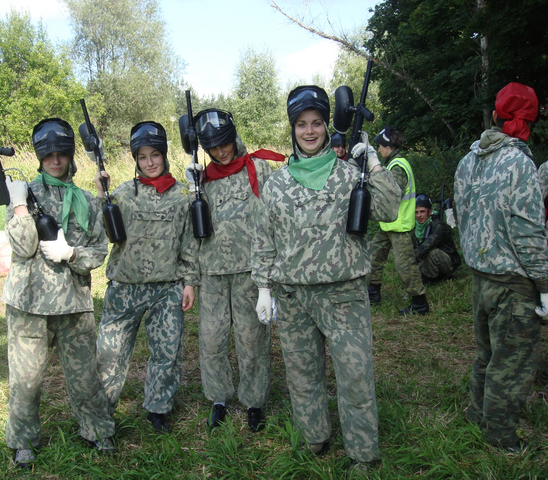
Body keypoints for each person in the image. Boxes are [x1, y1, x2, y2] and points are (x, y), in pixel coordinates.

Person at [251, 85, 400, 473]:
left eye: (317, 122)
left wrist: (373, 164)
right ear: (293, 129)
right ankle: (314, 436)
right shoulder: (277, 184)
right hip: (294, 298)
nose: (310, 131)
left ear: (326, 126)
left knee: (355, 377)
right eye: (301, 124)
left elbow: (389, 210)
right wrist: (264, 287)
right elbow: (264, 238)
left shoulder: (351, 176)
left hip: (344, 295)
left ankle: (363, 454)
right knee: (303, 375)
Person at [2, 118, 115, 469]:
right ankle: (23, 441)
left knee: (85, 378)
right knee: (26, 381)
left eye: (61, 154)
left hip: (73, 304)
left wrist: (73, 255)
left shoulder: (85, 201)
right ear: (39, 157)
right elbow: (23, 247)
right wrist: (20, 205)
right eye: (48, 155)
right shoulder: (24, 194)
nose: (55, 160)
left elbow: (99, 249)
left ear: (70, 156)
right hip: (30, 304)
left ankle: (97, 430)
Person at [454, 82, 548, 452]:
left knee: (487, 355)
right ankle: (501, 437)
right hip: (513, 282)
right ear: (530, 123)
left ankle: (477, 414)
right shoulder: (520, 165)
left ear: (495, 115)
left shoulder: (468, 161)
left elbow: (462, 216)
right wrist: (544, 284)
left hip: (481, 276)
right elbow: (529, 232)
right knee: (511, 364)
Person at [95, 122, 199, 434]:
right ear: (135, 160)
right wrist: (102, 195)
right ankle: (100, 412)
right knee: (110, 354)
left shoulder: (181, 196)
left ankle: (158, 409)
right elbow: (103, 230)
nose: (150, 162)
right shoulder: (123, 194)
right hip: (125, 289)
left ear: (164, 155)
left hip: (167, 289)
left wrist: (189, 281)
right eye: (142, 157)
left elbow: (189, 242)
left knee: (167, 352)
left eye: (155, 155)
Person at [186, 108, 285, 432]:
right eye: (212, 148)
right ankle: (218, 398)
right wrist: (192, 191)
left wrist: (272, 274)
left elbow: (276, 216)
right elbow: (194, 229)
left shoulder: (258, 169)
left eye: (224, 144)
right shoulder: (203, 180)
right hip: (212, 273)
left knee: (251, 339)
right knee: (212, 341)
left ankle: (254, 401)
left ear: (234, 137)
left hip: (249, 273)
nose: (220, 152)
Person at [366, 125, 429, 315]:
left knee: (405, 266)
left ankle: (419, 303)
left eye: (380, 146)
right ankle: (372, 293)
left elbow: (393, 193)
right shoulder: (393, 163)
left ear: (388, 146)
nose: (379, 150)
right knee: (374, 256)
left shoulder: (398, 165)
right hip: (388, 224)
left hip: (399, 226)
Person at [411, 193, 461, 283]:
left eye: (422, 211)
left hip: (447, 262)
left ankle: (436, 278)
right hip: (427, 260)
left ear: (429, 212)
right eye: (416, 212)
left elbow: (428, 245)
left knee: (432, 252)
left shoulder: (439, 226)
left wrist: (409, 260)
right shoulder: (416, 229)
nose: (419, 215)